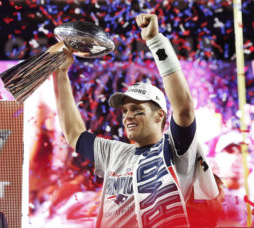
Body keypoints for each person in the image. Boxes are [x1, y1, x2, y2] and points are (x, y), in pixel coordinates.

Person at [52, 13, 219, 227]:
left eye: (137, 110)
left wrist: (155, 40)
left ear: (160, 115)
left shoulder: (177, 150)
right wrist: (62, 74)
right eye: (124, 111)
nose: (128, 116)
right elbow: (74, 133)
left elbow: (184, 108)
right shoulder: (114, 153)